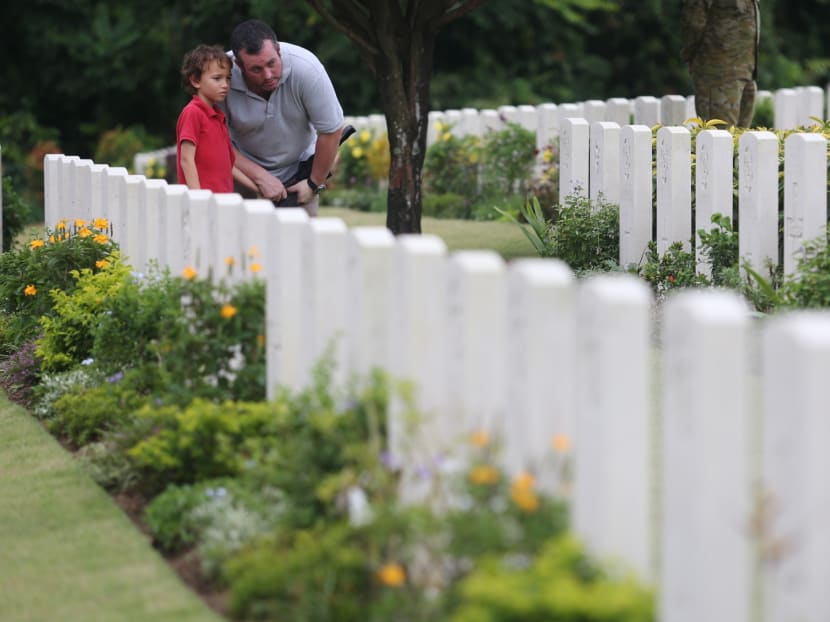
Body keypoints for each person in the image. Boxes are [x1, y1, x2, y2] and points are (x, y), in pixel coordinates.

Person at [219, 19, 346, 216]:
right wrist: (259, 176)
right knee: (242, 245)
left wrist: (313, 183)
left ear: (278, 50)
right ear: (238, 65)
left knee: (300, 245)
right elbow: (214, 139)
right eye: (256, 69)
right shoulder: (220, 74)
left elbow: (331, 130)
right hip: (240, 173)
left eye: (272, 63)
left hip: (299, 175)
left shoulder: (307, 69)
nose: (268, 75)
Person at [176, 44, 257, 193]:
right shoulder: (193, 112)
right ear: (195, 80)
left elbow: (228, 166)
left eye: (228, 78)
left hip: (222, 204)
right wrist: (198, 200)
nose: (225, 85)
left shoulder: (218, 116)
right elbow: (186, 160)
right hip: (203, 204)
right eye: (217, 78)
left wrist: (258, 188)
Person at [680, 0, 760, 128]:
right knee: (718, 140)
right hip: (718, 76)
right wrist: (689, 55)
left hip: (746, 73)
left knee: (741, 143)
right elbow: (693, 23)